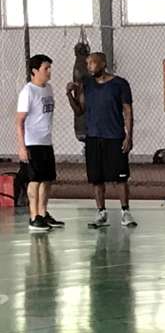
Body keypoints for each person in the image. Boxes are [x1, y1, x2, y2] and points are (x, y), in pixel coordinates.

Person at [71, 50, 134, 229]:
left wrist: (129, 136)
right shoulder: (87, 83)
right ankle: (101, 212)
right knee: (96, 179)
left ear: (103, 64)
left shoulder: (120, 84)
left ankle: (125, 212)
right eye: (87, 63)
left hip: (114, 136)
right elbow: (79, 110)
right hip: (93, 137)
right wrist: (69, 95)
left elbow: (127, 110)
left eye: (92, 62)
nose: (89, 66)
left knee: (120, 178)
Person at [15, 54, 59, 235]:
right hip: (32, 143)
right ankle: (34, 217)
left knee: (47, 180)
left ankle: (43, 213)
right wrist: (22, 147)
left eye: (49, 68)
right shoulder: (28, 92)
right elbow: (19, 121)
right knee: (34, 180)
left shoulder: (48, 88)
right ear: (34, 71)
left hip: (46, 142)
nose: (49, 72)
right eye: (45, 69)